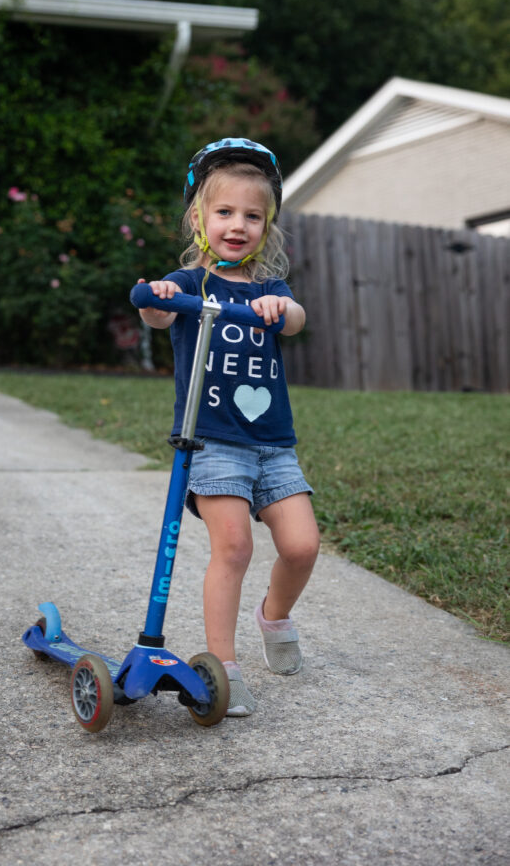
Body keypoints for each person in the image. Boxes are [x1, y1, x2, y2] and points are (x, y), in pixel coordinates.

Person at [139, 138, 319, 717]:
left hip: (272, 444)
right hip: (213, 440)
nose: (237, 225)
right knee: (235, 546)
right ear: (199, 219)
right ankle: (223, 666)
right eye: (224, 212)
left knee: (302, 546)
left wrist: (282, 311)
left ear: (267, 227)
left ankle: (275, 616)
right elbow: (155, 312)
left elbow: (296, 320)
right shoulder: (189, 283)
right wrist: (157, 295)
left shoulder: (269, 289)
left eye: (252, 216)